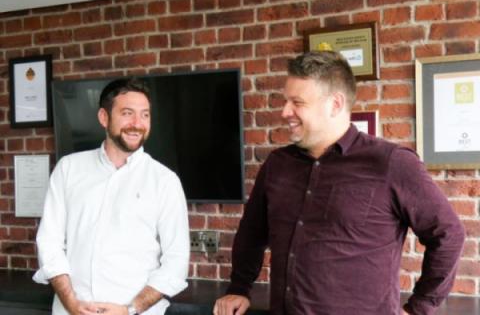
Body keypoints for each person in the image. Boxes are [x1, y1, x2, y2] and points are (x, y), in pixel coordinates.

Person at [214, 51, 465, 315]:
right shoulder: (278, 164)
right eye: (286, 101)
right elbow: (252, 232)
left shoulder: (391, 162)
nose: (285, 111)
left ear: (335, 104)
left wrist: (419, 308)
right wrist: (239, 287)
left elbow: (448, 234)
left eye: (297, 102)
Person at [34, 78, 190, 315]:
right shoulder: (69, 169)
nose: (137, 124)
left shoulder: (165, 181)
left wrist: (129, 309)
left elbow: (176, 262)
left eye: (145, 115)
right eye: (127, 113)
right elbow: (49, 242)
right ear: (103, 117)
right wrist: (71, 303)